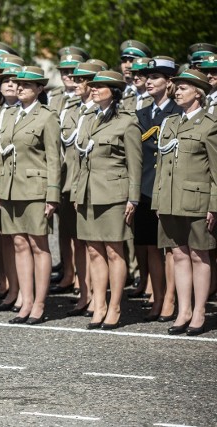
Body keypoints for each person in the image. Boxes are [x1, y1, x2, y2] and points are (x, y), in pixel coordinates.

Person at [73, 70, 142, 330]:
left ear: (113, 91)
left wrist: (133, 198)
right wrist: (78, 191)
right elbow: (82, 160)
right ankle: (99, 304)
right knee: (93, 250)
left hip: (114, 194)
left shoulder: (127, 122)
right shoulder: (89, 118)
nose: (93, 89)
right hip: (89, 193)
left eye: (100, 86)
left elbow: (135, 164)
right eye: (93, 86)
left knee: (114, 251)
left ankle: (115, 306)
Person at [0, 66, 60, 324]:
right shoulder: (10, 115)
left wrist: (52, 194)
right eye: (17, 84)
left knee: (38, 245)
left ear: (40, 89)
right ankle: (26, 301)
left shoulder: (47, 117)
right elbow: (2, 155)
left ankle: (40, 304)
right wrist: (0, 187)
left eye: (27, 85)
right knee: (19, 244)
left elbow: (54, 158)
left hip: (35, 189)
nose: (19, 87)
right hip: (11, 188)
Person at [152, 69, 217, 336]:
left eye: (184, 88)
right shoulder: (169, 123)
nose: (177, 91)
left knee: (199, 255)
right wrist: (157, 201)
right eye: (176, 88)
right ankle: (184, 311)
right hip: (169, 200)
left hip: (197, 200)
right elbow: (161, 166)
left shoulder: (210, 125)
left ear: (198, 94)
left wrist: (214, 205)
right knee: (178, 254)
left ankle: (200, 311)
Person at [51, 62, 104, 315]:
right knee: (77, 241)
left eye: (84, 79)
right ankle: (84, 293)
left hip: (94, 186)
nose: (77, 81)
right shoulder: (71, 109)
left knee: (94, 244)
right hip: (70, 183)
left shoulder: (103, 112)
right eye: (77, 78)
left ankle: (99, 295)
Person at [134, 57, 182, 322]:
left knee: (172, 248)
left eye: (155, 77)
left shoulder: (177, 112)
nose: (149, 81)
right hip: (145, 188)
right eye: (147, 76)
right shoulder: (142, 113)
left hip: (168, 188)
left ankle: (171, 300)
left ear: (169, 82)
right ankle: (158, 296)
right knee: (151, 247)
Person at [0, 56, 24, 311]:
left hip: (23, 181)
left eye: (14, 80)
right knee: (3, 237)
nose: (9, 84)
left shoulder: (26, 112)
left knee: (21, 240)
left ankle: (21, 288)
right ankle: (9, 282)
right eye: (4, 80)